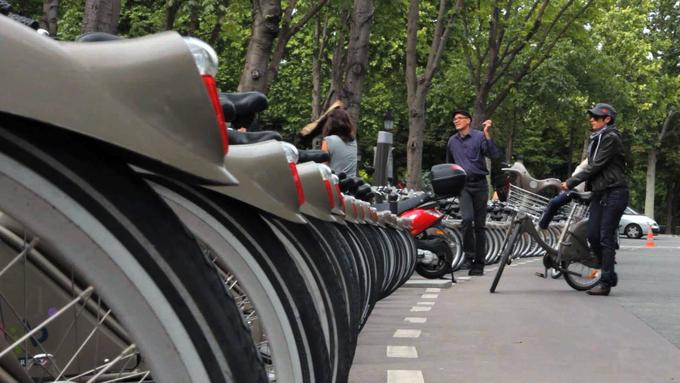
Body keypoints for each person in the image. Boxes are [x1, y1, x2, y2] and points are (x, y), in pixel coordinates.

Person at [561, 103, 628, 296]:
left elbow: (596, 166)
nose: (592, 119)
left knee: (606, 237)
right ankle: (607, 271)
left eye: (596, 117)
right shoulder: (597, 138)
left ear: (607, 119)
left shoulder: (611, 138)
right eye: (591, 116)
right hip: (600, 193)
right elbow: (591, 167)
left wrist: (571, 182)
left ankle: (606, 281)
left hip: (615, 192)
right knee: (592, 235)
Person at [446, 110, 502, 275]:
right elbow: (449, 165)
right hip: (463, 186)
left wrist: (487, 134)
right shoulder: (451, 142)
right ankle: (468, 258)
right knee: (466, 220)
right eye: (454, 119)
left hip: (480, 186)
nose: (456, 121)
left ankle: (479, 264)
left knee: (480, 226)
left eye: (459, 118)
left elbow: (494, 155)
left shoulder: (479, 137)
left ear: (468, 120)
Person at [320, 108, 358, 177]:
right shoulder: (353, 141)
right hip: (352, 184)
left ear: (330, 123)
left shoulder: (328, 140)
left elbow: (323, 170)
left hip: (335, 184)